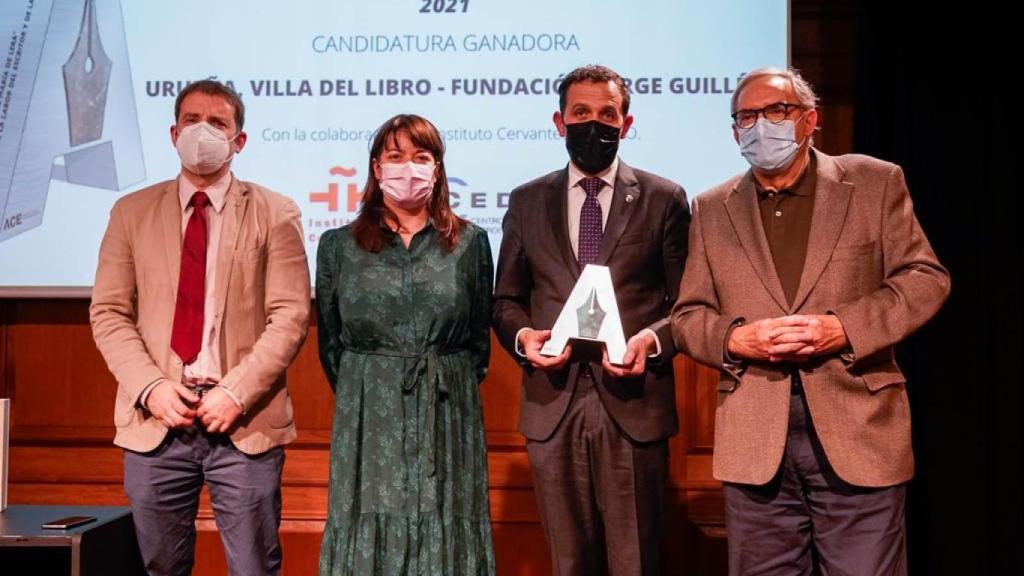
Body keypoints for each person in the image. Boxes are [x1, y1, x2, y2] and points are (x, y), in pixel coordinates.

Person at [670, 67, 951, 575]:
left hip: (858, 426)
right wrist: (736, 339)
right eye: (747, 117)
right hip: (756, 440)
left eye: (776, 111)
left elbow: (925, 279)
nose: (761, 126)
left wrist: (844, 327)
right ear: (735, 132)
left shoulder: (873, 181)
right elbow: (688, 316)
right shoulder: (711, 208)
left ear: (809, 120)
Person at [90, 79, 311, 576]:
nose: (202, 131)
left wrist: (235, 392)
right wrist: (150, 387)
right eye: (192, 121)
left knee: (254, 567)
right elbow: (108, 312)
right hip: (156, 424)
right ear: (173, 133)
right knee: (161, 567)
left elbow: (290, 315)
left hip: (244, 423)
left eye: (218, 123)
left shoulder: (276, 213)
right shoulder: (130, 213)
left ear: (239, 141)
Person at [492, 65, 690, 575]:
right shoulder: (526, 199)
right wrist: (523, 337)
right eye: (581, 113)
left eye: (607, 114)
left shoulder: (663, 198)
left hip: (632, 401)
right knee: (569, 562)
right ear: (560, 122)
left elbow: (687, 305)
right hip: (551, 403)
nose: (594, 124)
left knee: (636, 561)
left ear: (626, 124)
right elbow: (505, 300)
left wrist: (650, 340)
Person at [315, 114, 495, 575]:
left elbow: (478, 343)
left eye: (421, 157)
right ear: (376, 169)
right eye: (395, 157)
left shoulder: (471, 243)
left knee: (446, 524)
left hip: (448, 409)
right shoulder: (338, 246)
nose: (407, 168)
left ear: (437, 168)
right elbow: (331, 345)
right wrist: (375, 379)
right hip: (368, 412)